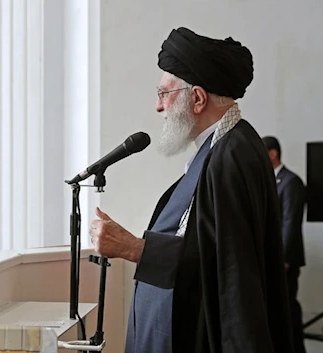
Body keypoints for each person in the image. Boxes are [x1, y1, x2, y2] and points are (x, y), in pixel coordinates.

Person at [90, 27, 294, 353]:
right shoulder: (220, 147)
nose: (158, 107)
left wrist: (134, 248)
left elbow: (227, 266)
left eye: (164, 93)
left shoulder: (233, 155)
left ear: (197, 98)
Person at [262, 136, 307, 353]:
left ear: (272, 153)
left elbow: (291, 222)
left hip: (285, 260)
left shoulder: (291, 182)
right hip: (272, 259)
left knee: (289, 310)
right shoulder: (270, 181)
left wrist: (285, 258)